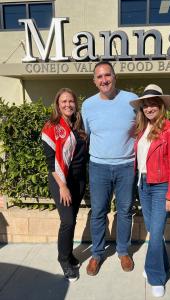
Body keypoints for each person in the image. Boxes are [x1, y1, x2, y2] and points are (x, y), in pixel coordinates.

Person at [81, 61, 137, 276]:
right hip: (99, 167)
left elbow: (142, 127)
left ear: (115, 76)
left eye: (108, 75)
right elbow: (86, 135)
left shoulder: (132, 100)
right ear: (94, 81)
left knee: (124, 211)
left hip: (126, 166)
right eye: (99, 77)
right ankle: (96, 254)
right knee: (98, 212)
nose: (104, 80)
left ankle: (123, 251)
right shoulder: (88, 105)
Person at [130, 84, 170, 298]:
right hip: (144, 185)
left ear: (161, 106)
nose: (149, 108)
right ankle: (163, 264)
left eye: (153, 104)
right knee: (154, 230)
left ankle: (156, 276)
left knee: (155, 233)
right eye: (145, 105)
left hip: (160, 187)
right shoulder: (142, 131)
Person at [41, 88, 87, 282]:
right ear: (58, 105)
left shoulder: (78, 125)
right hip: (62, 181)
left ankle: (68, 254)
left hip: (79, 179)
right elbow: (51, 162)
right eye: (63, 102)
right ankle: (63, 260)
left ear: (75, 103)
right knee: (67, 221)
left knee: (73, 219)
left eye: (71, 101)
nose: (68, 104)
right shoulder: (51, 127)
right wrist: (63, 186)